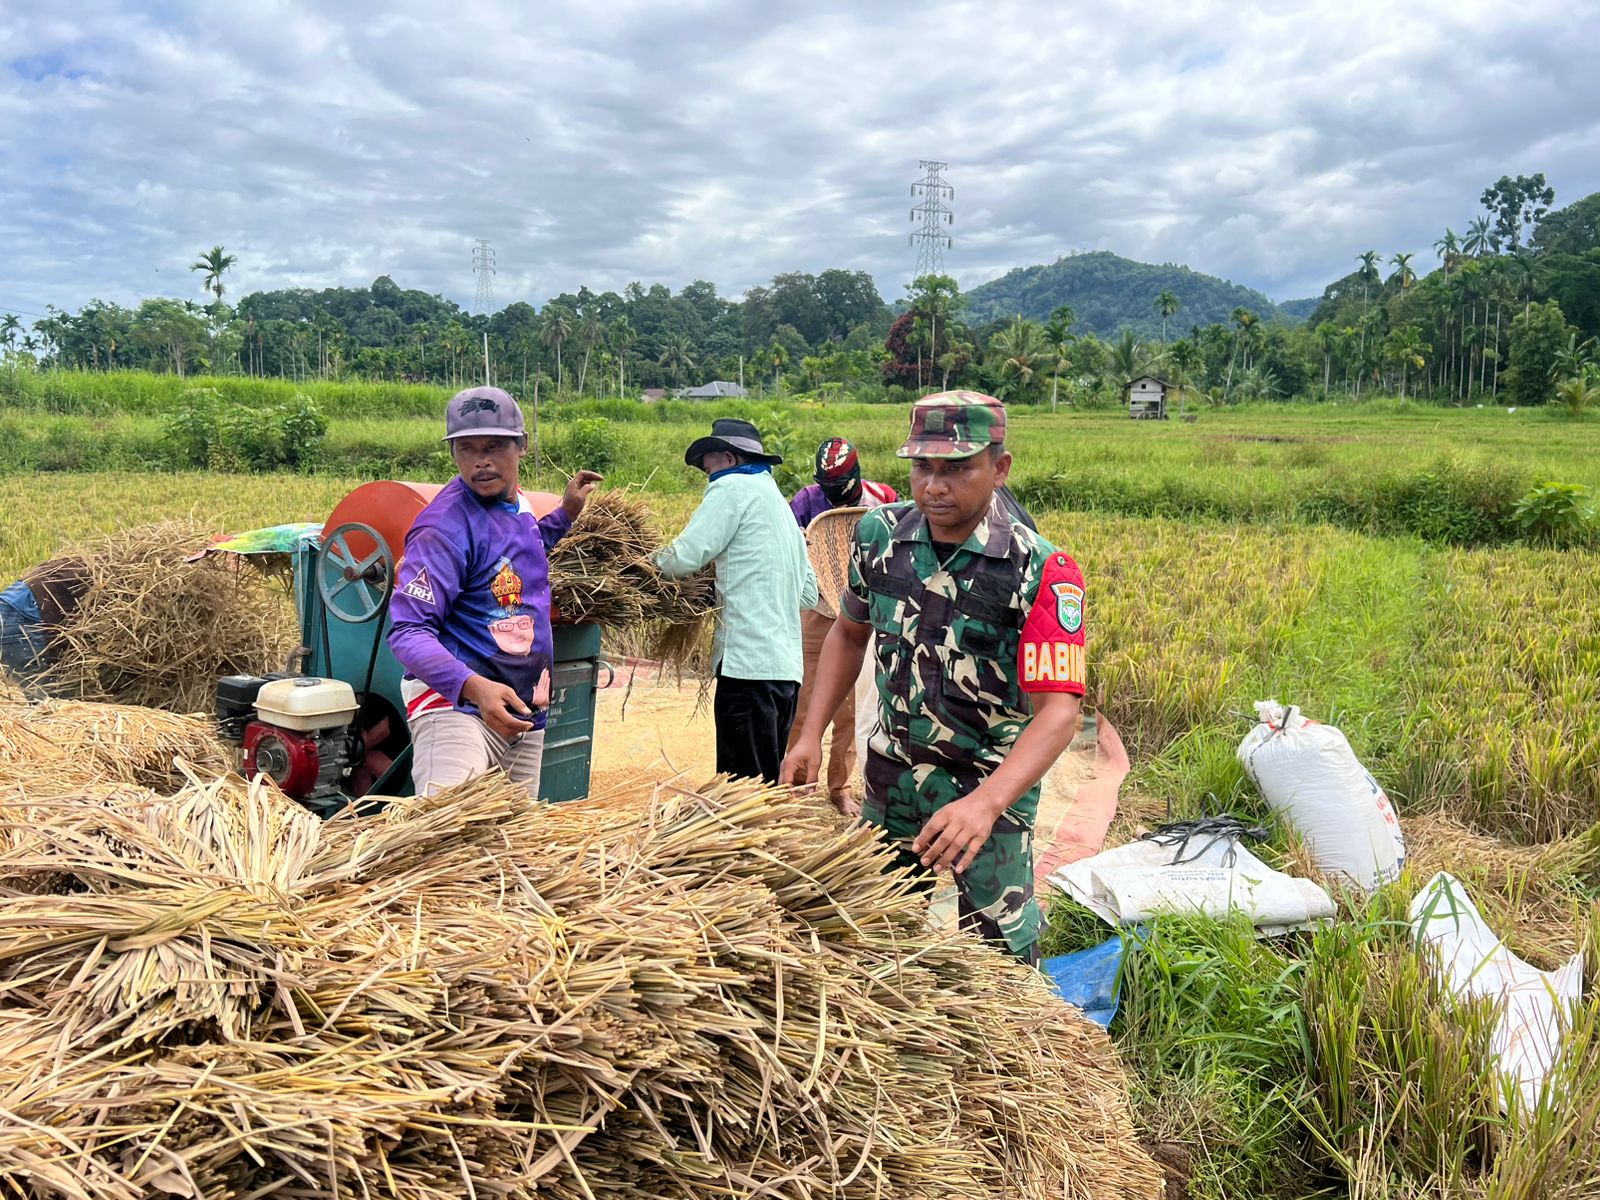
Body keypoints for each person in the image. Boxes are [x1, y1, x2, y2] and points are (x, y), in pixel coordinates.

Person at [780, 392, 1086, 965]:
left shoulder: (1040, 570)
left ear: (999, 468)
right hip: (891, 779)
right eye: (923, 467)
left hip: (986, 791)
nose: (934, 486)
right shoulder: (878, 538)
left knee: (998, 967)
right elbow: (849, 632)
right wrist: (809, 735)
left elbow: (1059, 711)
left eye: (957, 468)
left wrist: (987, 805)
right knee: (872, 940)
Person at [389, 385, 601, 799]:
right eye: (467, 449)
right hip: (455, 710)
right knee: (452, 844)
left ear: (521, 446)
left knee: (510, 850)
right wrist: (474, 686)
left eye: (494, 446)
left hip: (523, 709)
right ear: (453, 454)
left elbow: (514, 552)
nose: (482, 461)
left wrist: (565, 515)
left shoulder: (517, 505)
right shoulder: (442, 529)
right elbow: (407, 631)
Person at [655, 417, 818, 783]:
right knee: (764, 790)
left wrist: (640, 566)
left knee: (740, 794)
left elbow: (684, 557)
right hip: (785, 675)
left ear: (729, 459)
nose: (709, 477)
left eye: (710, 466)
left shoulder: (732, 488)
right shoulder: (781, 508)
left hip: (748, 670)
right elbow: (808, 594)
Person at [785, 438, 898, 813]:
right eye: (827, 487)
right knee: (806, 698)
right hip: (818, 609)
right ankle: (797, 784)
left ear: (854, 478)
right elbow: (788, 542)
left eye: (839, 488)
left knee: (850, 707)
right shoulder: (806, 500)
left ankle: (840, 787)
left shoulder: (881, 499)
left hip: (863, 616)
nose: (831, 495)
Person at [0, 557, 90, 696]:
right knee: (46, 700)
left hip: (12, 609)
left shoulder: (81, 564)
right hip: (20, 618)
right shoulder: (102, 575)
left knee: (55, 696)